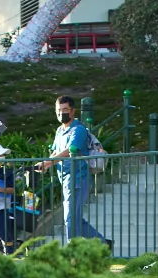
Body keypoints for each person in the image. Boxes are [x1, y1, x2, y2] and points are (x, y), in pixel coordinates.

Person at [36, 96, 107, 245]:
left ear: (73, 111)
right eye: (59, 110)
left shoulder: (78, 129)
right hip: (65, 179)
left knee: (70, 218)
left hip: (79, 178)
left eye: (65, 110)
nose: (62, 113)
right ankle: (103, 244)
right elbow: (55, 152)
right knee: (74, 218)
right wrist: (45, 164)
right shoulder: (60, 130)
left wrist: (49, 162)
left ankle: (72, 251)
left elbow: (69, 151)